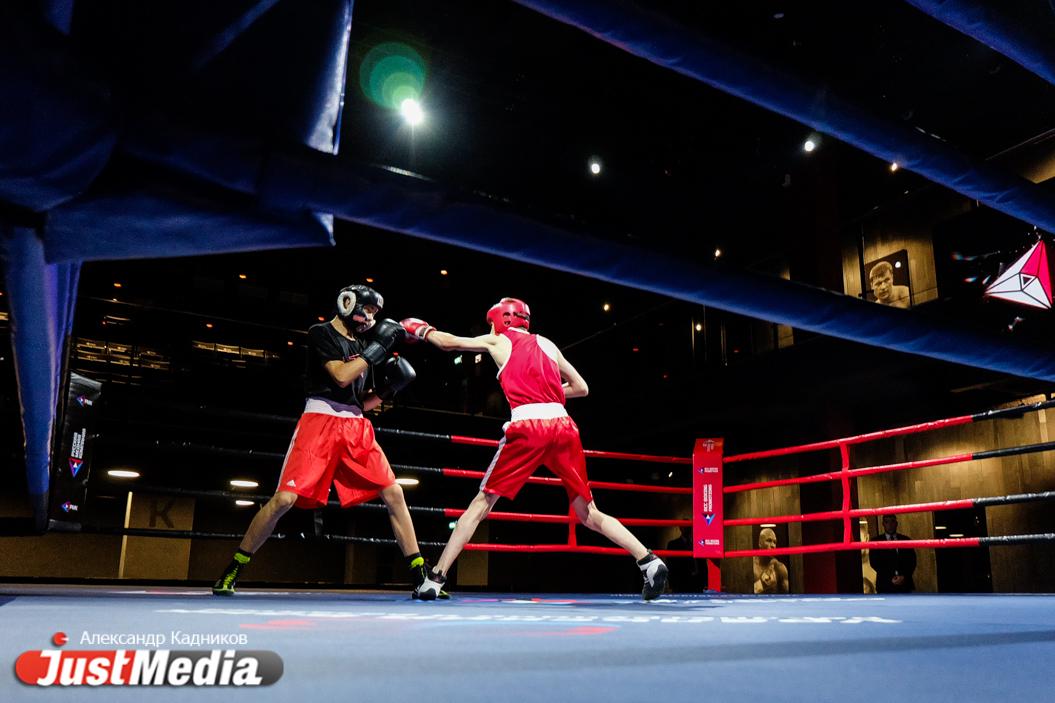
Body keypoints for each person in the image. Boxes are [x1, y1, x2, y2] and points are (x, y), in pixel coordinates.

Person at [400, 297, 669, 600]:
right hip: (565, 427)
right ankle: (649, 561)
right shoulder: (547, 344)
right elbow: (582, 388)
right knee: (588, 512)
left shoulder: (499, 339)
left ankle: (435, 579)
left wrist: (421, 330)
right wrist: (550, 393)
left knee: (481, 504)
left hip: (529, 427)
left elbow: (448, 343)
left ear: (500, 320)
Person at [212, 284, 433, 596]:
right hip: (320, 420)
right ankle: (234, 567)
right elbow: (341, 376)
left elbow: (361, 401)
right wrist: (377, 350)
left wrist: (389, 389)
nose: (370, 317)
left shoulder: (364, 342)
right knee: (284, 500)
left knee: (393, 491)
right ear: (348, 304)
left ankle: (420, 576)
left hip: (356, 425)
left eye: (375, 313)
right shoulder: (321, 333)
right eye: (368, 309)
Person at [869, 514, 916, 593]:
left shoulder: (906, 540)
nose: (890, 525)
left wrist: (904, 576)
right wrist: (889, 578)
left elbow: (912, 562)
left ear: (896, 523)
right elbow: (874, 563)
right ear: (883, 524)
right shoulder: (875, 542)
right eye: (887, 522)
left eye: (892, 521)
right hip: (885, 585)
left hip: (905, 585)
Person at [666, 526, 704, 593]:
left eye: (689, 527)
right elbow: (670, 564)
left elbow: (702, 562)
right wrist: (671, 583)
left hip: (696, 582)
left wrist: (704, 582)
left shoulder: (698, 543)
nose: (687, 529)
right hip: (680, 582)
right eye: (685, 527)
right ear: (680, 529)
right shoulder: (673, 544)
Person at [753, 527, 789, 594]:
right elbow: (743, 594)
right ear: (760, 543)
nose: (773, 545)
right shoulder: (751, 566)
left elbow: (787, 595)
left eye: (774, 542)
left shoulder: (780, 568)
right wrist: (762, 584)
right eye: (769, 541)